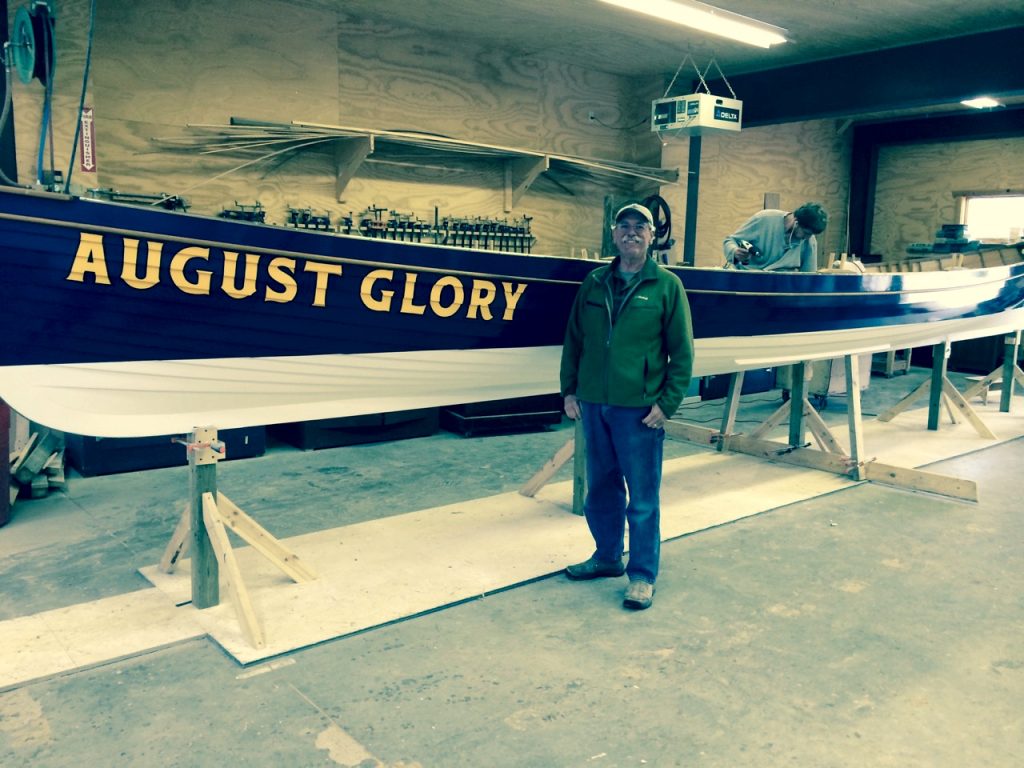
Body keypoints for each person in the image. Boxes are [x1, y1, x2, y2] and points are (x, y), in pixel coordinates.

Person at [559, 203, 694, 610]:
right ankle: (605, 557)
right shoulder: (595, 281)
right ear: (614, 234)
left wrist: (667, 404)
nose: (631, 233)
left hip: (638, 410)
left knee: (643, 495)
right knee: (600, 487)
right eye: (624, 226)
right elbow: (574, 340)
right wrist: (569, 390)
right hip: (594, 403)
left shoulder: (667, 286)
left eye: (640, 227)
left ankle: (642, 574)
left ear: (652, 237)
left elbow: (682, 352)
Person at [722, 202, 828, 272]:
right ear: (796, 222)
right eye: (806, 233)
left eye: (811, 235)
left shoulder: (810, 240)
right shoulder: (764, 219)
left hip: (782, 287)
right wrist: (735, 251)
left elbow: (808, 276)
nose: (808, 238)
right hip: (750, 280)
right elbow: (730, 240)